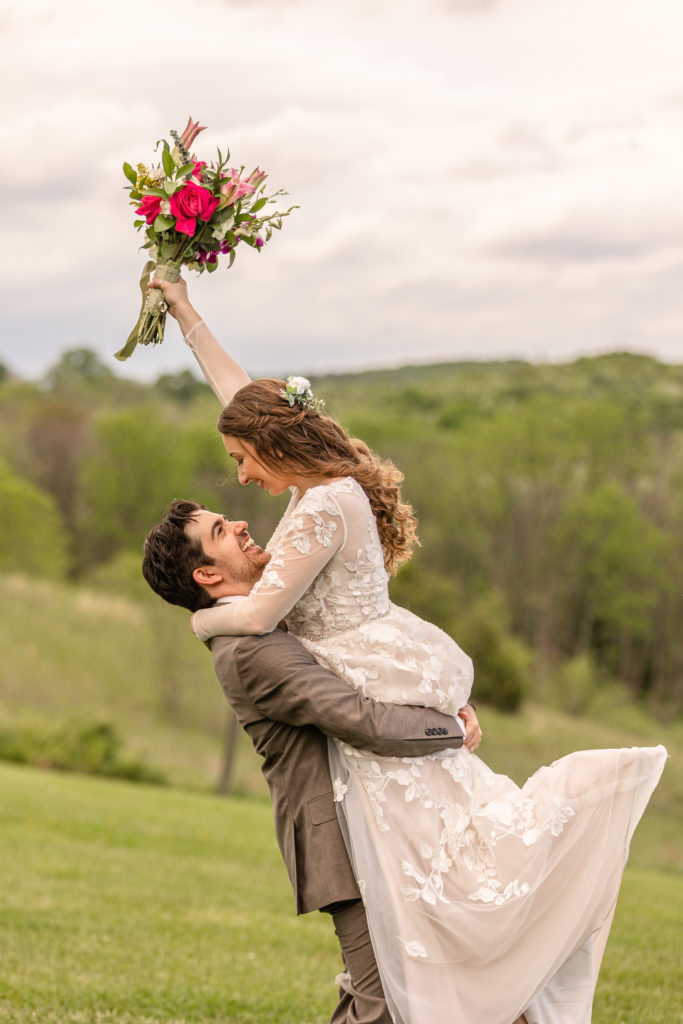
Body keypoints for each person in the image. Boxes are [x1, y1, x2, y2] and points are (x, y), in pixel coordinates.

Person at [150, 276, 667, 1024]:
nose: (242, 476)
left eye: (241, 458)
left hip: (373, 690)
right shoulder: (320, 491)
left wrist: (202, 623)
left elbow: (259, 614)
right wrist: (187, 313)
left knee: (412, 952)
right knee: (410, 952)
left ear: (271, 444)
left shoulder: (320, 508)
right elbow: (238, 397)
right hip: (382, 679)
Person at [142, 499, 482, 1024]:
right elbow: (361, 718)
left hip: (382, 823)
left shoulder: (260, 617)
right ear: (206, 572)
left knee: (396, 993)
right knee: (382, 1005)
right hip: (341, 843)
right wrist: (452, 731)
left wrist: (446, 702)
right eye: (220, 530)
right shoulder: (249, 651)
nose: (238, 522)